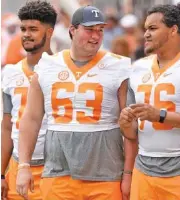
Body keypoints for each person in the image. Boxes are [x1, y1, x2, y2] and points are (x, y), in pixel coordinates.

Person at [16, 5, 138, 200]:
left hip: (106, 175)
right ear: (72, 30)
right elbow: (31, 119)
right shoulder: (47, 66)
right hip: (58, 173)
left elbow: (131, 127)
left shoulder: (118, 66)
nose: (96, 36)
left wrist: (129, 174)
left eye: (100, 30)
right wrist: (23, 166)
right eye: (89, 29)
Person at [119, 3, 180, 200]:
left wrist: (161, 115)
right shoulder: (137, 68)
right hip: (144, 169)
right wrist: (126, 124)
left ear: (173, 30)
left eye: (153, 28)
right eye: (145, 28)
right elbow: (133, 133)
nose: (146, 34)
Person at [1, 1, 57, 200]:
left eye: (33, 29)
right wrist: (1, 173)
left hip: (53, 169)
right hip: (17, 168)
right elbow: (7, 126)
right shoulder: (9, 72)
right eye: (23, 28)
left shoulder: (62, 70)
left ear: (49, 32)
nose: (26, 34)